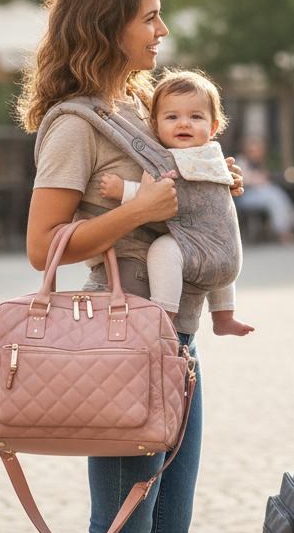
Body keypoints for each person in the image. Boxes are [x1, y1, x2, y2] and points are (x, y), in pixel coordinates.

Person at [18, 0, 243, 533]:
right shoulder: (75, 125)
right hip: (124, 344)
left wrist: (212, 183)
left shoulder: (137, 109)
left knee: (169, 531)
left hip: (178, 342)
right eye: (149, 17)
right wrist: (139, 211)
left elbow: (175, 186)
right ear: (105, 25)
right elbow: (44, 246)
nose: (161, 31)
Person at [99, 69, 254, 337]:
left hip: (201, 253)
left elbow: (168, 194)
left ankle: (164, 314)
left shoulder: (185, 161)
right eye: (172, 117)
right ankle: (223, 316)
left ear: (213, 127)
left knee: (163, 249)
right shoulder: (212, 158)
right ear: (155, 125)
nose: (184, 124)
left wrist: (123, 189)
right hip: (226, 255)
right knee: (216, 253)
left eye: (195, 117)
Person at [234, 136, 294, 243]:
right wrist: (255, 179)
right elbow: (241, 181)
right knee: (272, 196)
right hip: (244, 197)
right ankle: (287, 224)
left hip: (260, 194)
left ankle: (285, 222)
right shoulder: (239, 162)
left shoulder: (258, 163)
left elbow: (264, 179)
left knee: (274, 192)